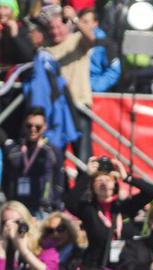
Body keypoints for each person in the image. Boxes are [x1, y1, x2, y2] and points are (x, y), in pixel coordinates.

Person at [67, 157, 153, 270]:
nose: (104, 183)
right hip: (96, 268)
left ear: (115, 183)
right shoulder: (88, 210)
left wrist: (127, 177)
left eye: (108, 180)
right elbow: (69, 202)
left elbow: (152, 192)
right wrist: (86, 176)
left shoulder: (125, 207)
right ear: (93, 186)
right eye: (99, 180)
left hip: (125, 267)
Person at [42, 11, 97, 160]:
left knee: (83, 156)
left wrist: (74, 18)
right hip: (56, 109)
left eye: (58, 27)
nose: (55, 31)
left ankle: (84, 176)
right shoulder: (45, 49)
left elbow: (91, 38)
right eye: (51, 28)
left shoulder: (77, 40)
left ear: (66, 26)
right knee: (54, 156)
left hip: (79, 105)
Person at [1, 108, 61, 216]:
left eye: (38, 127)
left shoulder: (52, 151)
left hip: (43, 209)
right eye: (29, 126)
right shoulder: (13, 150)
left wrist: (53, 204)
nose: (33, 129)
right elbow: (6, 178)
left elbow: (59, 183)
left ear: (45, 127)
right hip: (18, 208)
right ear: (24, 125)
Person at [0, 201, 57, 270]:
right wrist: (3, 246)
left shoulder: (42, 243)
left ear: (27, 222)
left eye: (17, 222)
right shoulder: (2, 246)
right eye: (5, 223)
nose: (11, 227)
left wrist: (24, 250)